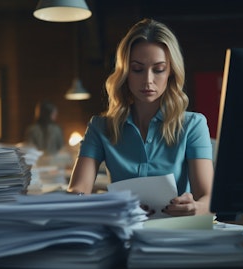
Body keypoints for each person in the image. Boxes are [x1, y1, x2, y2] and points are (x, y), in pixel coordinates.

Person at [67, 18, 214, 217]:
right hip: (122, 231)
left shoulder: (192, 125)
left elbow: (208, 198)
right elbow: (77, 191)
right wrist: (98, 205)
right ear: (125, 73)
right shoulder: (100, 127)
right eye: (137, 69)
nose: (148, 80)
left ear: (171, 72)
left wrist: (196, 207)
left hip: (175, 233)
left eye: (159, 69)